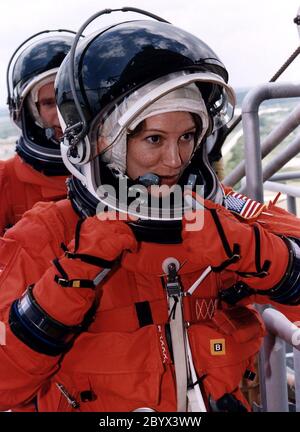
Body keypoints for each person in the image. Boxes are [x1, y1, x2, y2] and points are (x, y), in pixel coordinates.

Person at [0, 9, 300, 413]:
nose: (175, 160)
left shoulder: (221, 215)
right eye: (154, 139)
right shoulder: (46, 235)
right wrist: (68, 280)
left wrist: (249, 247)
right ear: (101, 143)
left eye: (188, 136)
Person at [0, 31, 74, 235]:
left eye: (69, 99)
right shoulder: (7, 181)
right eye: (49, 103)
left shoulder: (119, 174)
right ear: (33, 113)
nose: (62, 115)